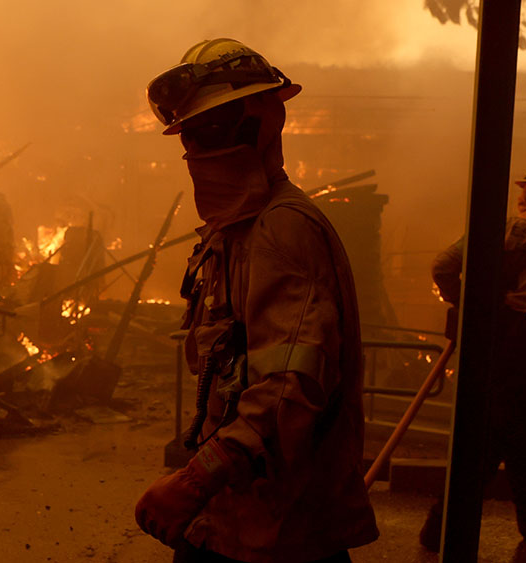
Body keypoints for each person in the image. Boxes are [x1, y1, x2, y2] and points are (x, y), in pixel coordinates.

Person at [134, 38, 378, 563]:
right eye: (192, 132)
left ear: (265, 120)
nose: (199, 147)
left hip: (281, 532)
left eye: (214, 126)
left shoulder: (281, 229)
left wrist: (195, 480)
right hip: (233, 516)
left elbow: (288, 388)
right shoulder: (235, 231)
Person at [420, 157, 526, 550]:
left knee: (516, 434)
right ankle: (440, 524)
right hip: (524, 350)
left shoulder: (490, 233)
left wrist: (470, 307)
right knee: (494, 442)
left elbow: (443, 266)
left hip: (483, 342)